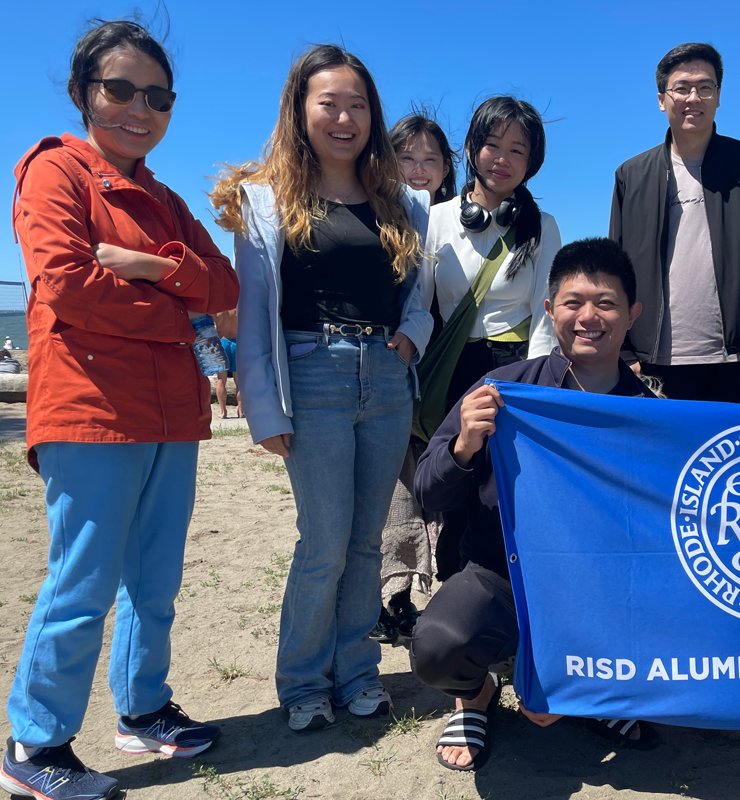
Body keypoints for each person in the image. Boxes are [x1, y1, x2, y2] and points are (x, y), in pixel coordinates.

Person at [0, 19, 238, 800]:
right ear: (82, 93)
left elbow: (227, 289)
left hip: (172, 412)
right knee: (83, 583)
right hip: (90, 410)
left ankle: (142, 709)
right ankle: (34, 743)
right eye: (120, 90)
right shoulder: (53, 170)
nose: (141, 108)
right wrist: (181, 303)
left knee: (155, 580)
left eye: (158, 95)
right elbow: (67, 284)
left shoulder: (166, 201)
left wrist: (147, 265)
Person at [212, 44, 431, 733]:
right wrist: (261, 406)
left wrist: (411, 339)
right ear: (300, 109)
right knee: (324, 543)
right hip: (314, 372)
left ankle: (357, 671)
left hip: (387, 376)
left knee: (367, 541)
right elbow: (252, 315)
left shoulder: (404, 202)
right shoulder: (266, 200)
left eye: (358, 104)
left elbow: (419, 296)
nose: (344, 117)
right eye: (329, 103)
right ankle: (303, 681)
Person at [412, 238, 659, 771]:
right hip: (503, 578)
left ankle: (589, 689)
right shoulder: (502, 390)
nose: (588, 316)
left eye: (607, 303)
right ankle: (475, 693)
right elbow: (427, 492)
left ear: (633, 314)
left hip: (607, 593)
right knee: (438, 646)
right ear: (550, 310)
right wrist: (464, 447)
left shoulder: (651, 415)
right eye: (573, 302)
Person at [417, 96, 560, 583]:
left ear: (531, 162)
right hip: (451, 368)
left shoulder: (543, 228)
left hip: (513, 366)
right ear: (473, 148)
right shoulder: (433, 220)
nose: (503, 158)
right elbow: (418, 305)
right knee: (453, 472)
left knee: (503, 481)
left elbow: (547, 312)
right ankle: (456, 585)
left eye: (517, 151)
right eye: (492, 145)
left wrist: (535, 385)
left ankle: (505, 586)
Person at [610, 42, 740, 403]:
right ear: (662, 99)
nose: (693, 97)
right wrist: (625, 350)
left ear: (718, 96)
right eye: (681, 88)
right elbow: (618, 267)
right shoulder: (631, 175)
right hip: (656, 357)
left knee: (730, 457)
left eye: (705, 87)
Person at [370, 113, 459, 645]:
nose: (419, 170)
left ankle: (439, 593)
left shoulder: (454, 220)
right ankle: (394, 598)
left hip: (444, 369)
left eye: (431, 160)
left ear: (448, 167)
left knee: (439, 482)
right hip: (393, 365)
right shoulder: (373, 214)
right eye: (407, 158)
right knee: (396, 488)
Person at [391, 114, 458, 205]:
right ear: (390, 163)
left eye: (429, 159)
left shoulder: (456, 217)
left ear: (445, 168)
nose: (419, 170)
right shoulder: (373, 217)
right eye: (408, 158)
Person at [212, 308, 242, 419]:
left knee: (221, 380)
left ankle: (223, 412)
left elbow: (210, 327)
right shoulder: (238, 308)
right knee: (239, 381)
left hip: (222, 342)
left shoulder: (218, 308)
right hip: (236, 342)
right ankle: (241, 410)